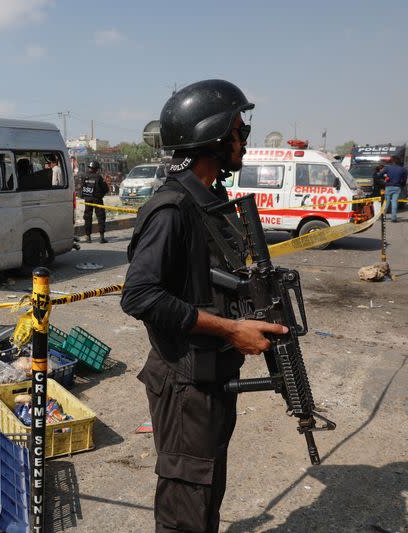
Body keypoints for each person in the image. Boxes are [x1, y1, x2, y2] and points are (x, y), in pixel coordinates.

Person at [120, 79, 288, 533]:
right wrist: (232, 331)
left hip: (212, 378)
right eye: (239, 130)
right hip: (185, 384)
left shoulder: (210, 203)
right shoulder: (171, 209)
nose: (244, 140)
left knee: (206, 497)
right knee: (185, 512)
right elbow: (139, 296)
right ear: (214, 138)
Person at [80, 160, 109, 243]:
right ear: (96, 169)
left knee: (87, 217)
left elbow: (81, 188)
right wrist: (101, 195)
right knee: (101, 217)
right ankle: (102, 237)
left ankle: (88, 237)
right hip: (97, 200)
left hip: (88, 200)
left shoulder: (84, 176)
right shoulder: (98, 177)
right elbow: (106, 189)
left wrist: (85, 196)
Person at [376, 157, 407, 222]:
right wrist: (402, 185)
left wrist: (383, 182)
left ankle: (383, 216)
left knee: (386, 202)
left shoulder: (388, 168)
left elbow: (378, 175)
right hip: (397, 187)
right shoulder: (403, 169)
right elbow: (404, 179)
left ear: (392, 162)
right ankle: (393, 218)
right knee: (394, 202)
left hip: (388, 186)